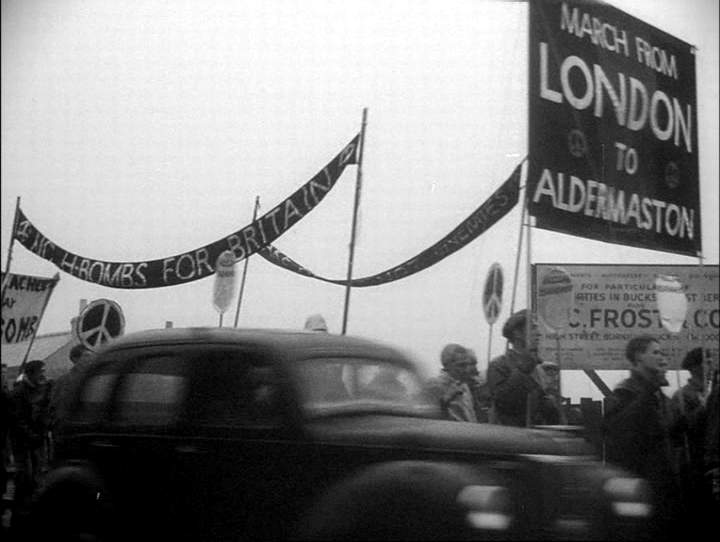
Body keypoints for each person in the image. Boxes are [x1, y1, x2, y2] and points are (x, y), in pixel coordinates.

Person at [603, 335, 682, 539]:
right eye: (655, 352)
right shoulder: (623, 393)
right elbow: (624, 431)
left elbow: (664, 434)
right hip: (639, 484)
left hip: (662, 486)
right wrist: (650, 390)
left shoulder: (659, 396)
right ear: (639, 357)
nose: (661, 357)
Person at [487, 310, 544, 427]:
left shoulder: (540, 366)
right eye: (533, 328)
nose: (539, 333)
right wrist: (523, 370)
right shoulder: (498, 365)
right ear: (517, 333)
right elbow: (503, 402)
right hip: (511, 436)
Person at [9, 359, 51, 512]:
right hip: (24, 441)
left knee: (35, 473)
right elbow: (18, 419)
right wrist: (31, 435)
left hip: (35, 438)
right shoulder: (19, 393)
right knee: (26, 475)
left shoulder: (37, 389)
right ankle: (22, 508)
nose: (43, 375)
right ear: (31, 373)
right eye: (41, 371)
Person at [425, 344, 477, 422]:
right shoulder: (434, 385)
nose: (466, 370)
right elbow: (427, 417)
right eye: (461, 365)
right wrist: (446, 399)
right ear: (447, 365)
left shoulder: (463, 385)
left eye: (467, 365)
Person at [465, 350, 491, 423]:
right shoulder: (460, 386)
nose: (474, 367)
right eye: (471, 364)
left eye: (475, 364)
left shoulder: (480, 383)